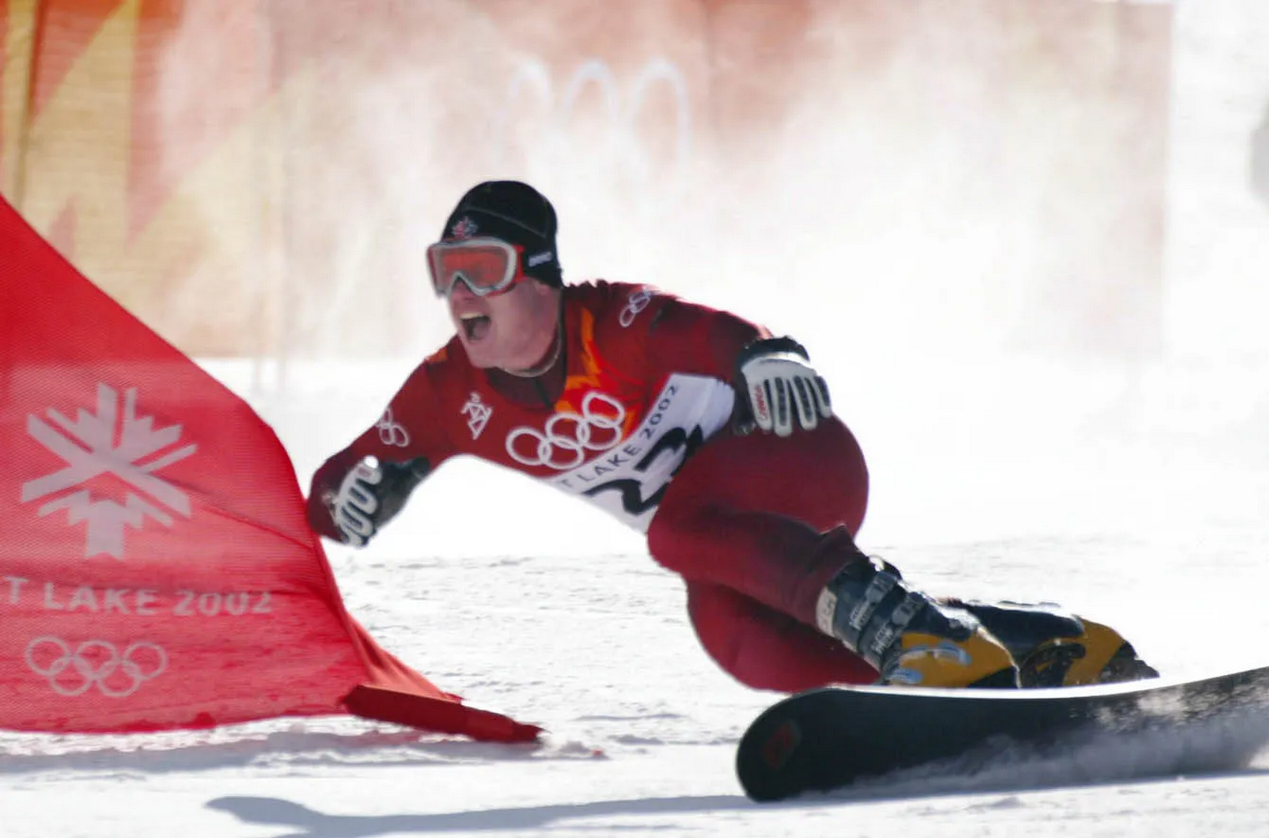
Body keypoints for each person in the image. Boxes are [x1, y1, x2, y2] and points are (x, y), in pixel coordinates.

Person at [306, 180, 1157, 692]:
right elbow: (341, 481)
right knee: (736, 640)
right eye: (442, 273)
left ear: (541, 275)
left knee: (677, 532)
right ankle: (1007, 652)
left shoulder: (614, 320)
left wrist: (766, 355)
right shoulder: (447, 391)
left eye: (482, 269)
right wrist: (351, 502)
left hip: (799, 466)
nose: (459, 294)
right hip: (732, 545)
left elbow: (714, 334)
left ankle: (921, 641)